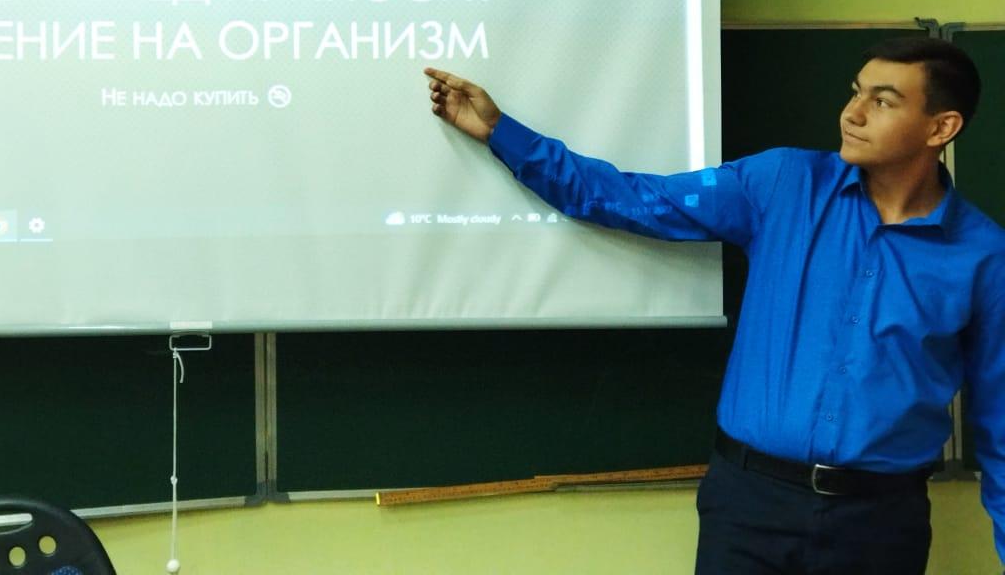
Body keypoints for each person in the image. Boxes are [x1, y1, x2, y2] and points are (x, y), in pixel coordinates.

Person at [425, 36, 1005, 575]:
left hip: (880, 523)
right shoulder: (783, 183)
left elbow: (1001, 424)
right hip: (750, 506)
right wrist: (502, 132)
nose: (852, 114)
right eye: (855, 92)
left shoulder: (983, 257)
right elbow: (632, 198)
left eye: (882, 101)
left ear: (942, 127)